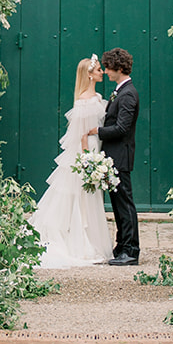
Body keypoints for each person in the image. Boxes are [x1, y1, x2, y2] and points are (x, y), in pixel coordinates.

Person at [31, 55, 115, 268]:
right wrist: (87, 160)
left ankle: (90, 240)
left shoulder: (96, 97)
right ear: (89, 74)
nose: (102, 72)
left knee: (90, 197)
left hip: (97, 147)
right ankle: (81, 243)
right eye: (98, 70)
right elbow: (82, 134)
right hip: (87, 152)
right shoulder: (84, 101)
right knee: (81, 197)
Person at [94, 47, 140, 266]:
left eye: (109, 68)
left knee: (125, 204)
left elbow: (122, 128)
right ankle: (121, 245)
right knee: (118, 204)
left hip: (120, 157)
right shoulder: (120, 91)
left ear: (120, 68)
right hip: (112, 158)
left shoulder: (129, 94)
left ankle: (131, 250)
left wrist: (97, 131)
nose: (106, 71)